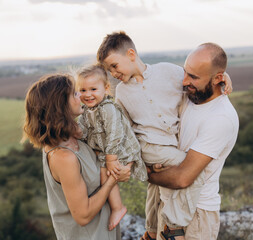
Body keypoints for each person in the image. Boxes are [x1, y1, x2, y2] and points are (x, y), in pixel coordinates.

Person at [96, 31, 233, 240]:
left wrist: (223, 77)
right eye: (108, 69)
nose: (113, 73)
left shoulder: (169, 72)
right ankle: (167, 227)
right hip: (149, 147)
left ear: (131, 54)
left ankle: (153, 229)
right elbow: (125, 128)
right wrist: (130, 160)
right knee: (173, 175)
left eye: (114, 65)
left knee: (166, 181)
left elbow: (182, 177)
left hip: (198, 208)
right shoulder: (122, 92)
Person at [23, 73, 132, 240]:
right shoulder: (62, 157)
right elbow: (83, 216)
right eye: (74, 93)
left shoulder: (75, 136)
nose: (80, 95)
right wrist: (114, 179)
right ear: (60, 106)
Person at [148, 43, 238, 239]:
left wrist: (143, 173)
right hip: (168, 204)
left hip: (196, 214)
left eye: (194, 77)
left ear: (218, 78)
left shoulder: (221, 118)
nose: (184, 81)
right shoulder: (191, 94)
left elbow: (183, 178)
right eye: (186, 72)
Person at [76, 64, 148, 231]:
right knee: (102, 173)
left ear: (106, 88)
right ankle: (113, 205)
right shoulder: (87, 110)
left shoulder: (108, 108)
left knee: (105, 173)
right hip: (107, 151)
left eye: (93, 89)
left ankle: (118, 208)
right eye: (83, 90)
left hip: (121, 149)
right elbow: (83, 129)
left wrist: (111, 158)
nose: (88, 94)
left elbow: (115, 133)